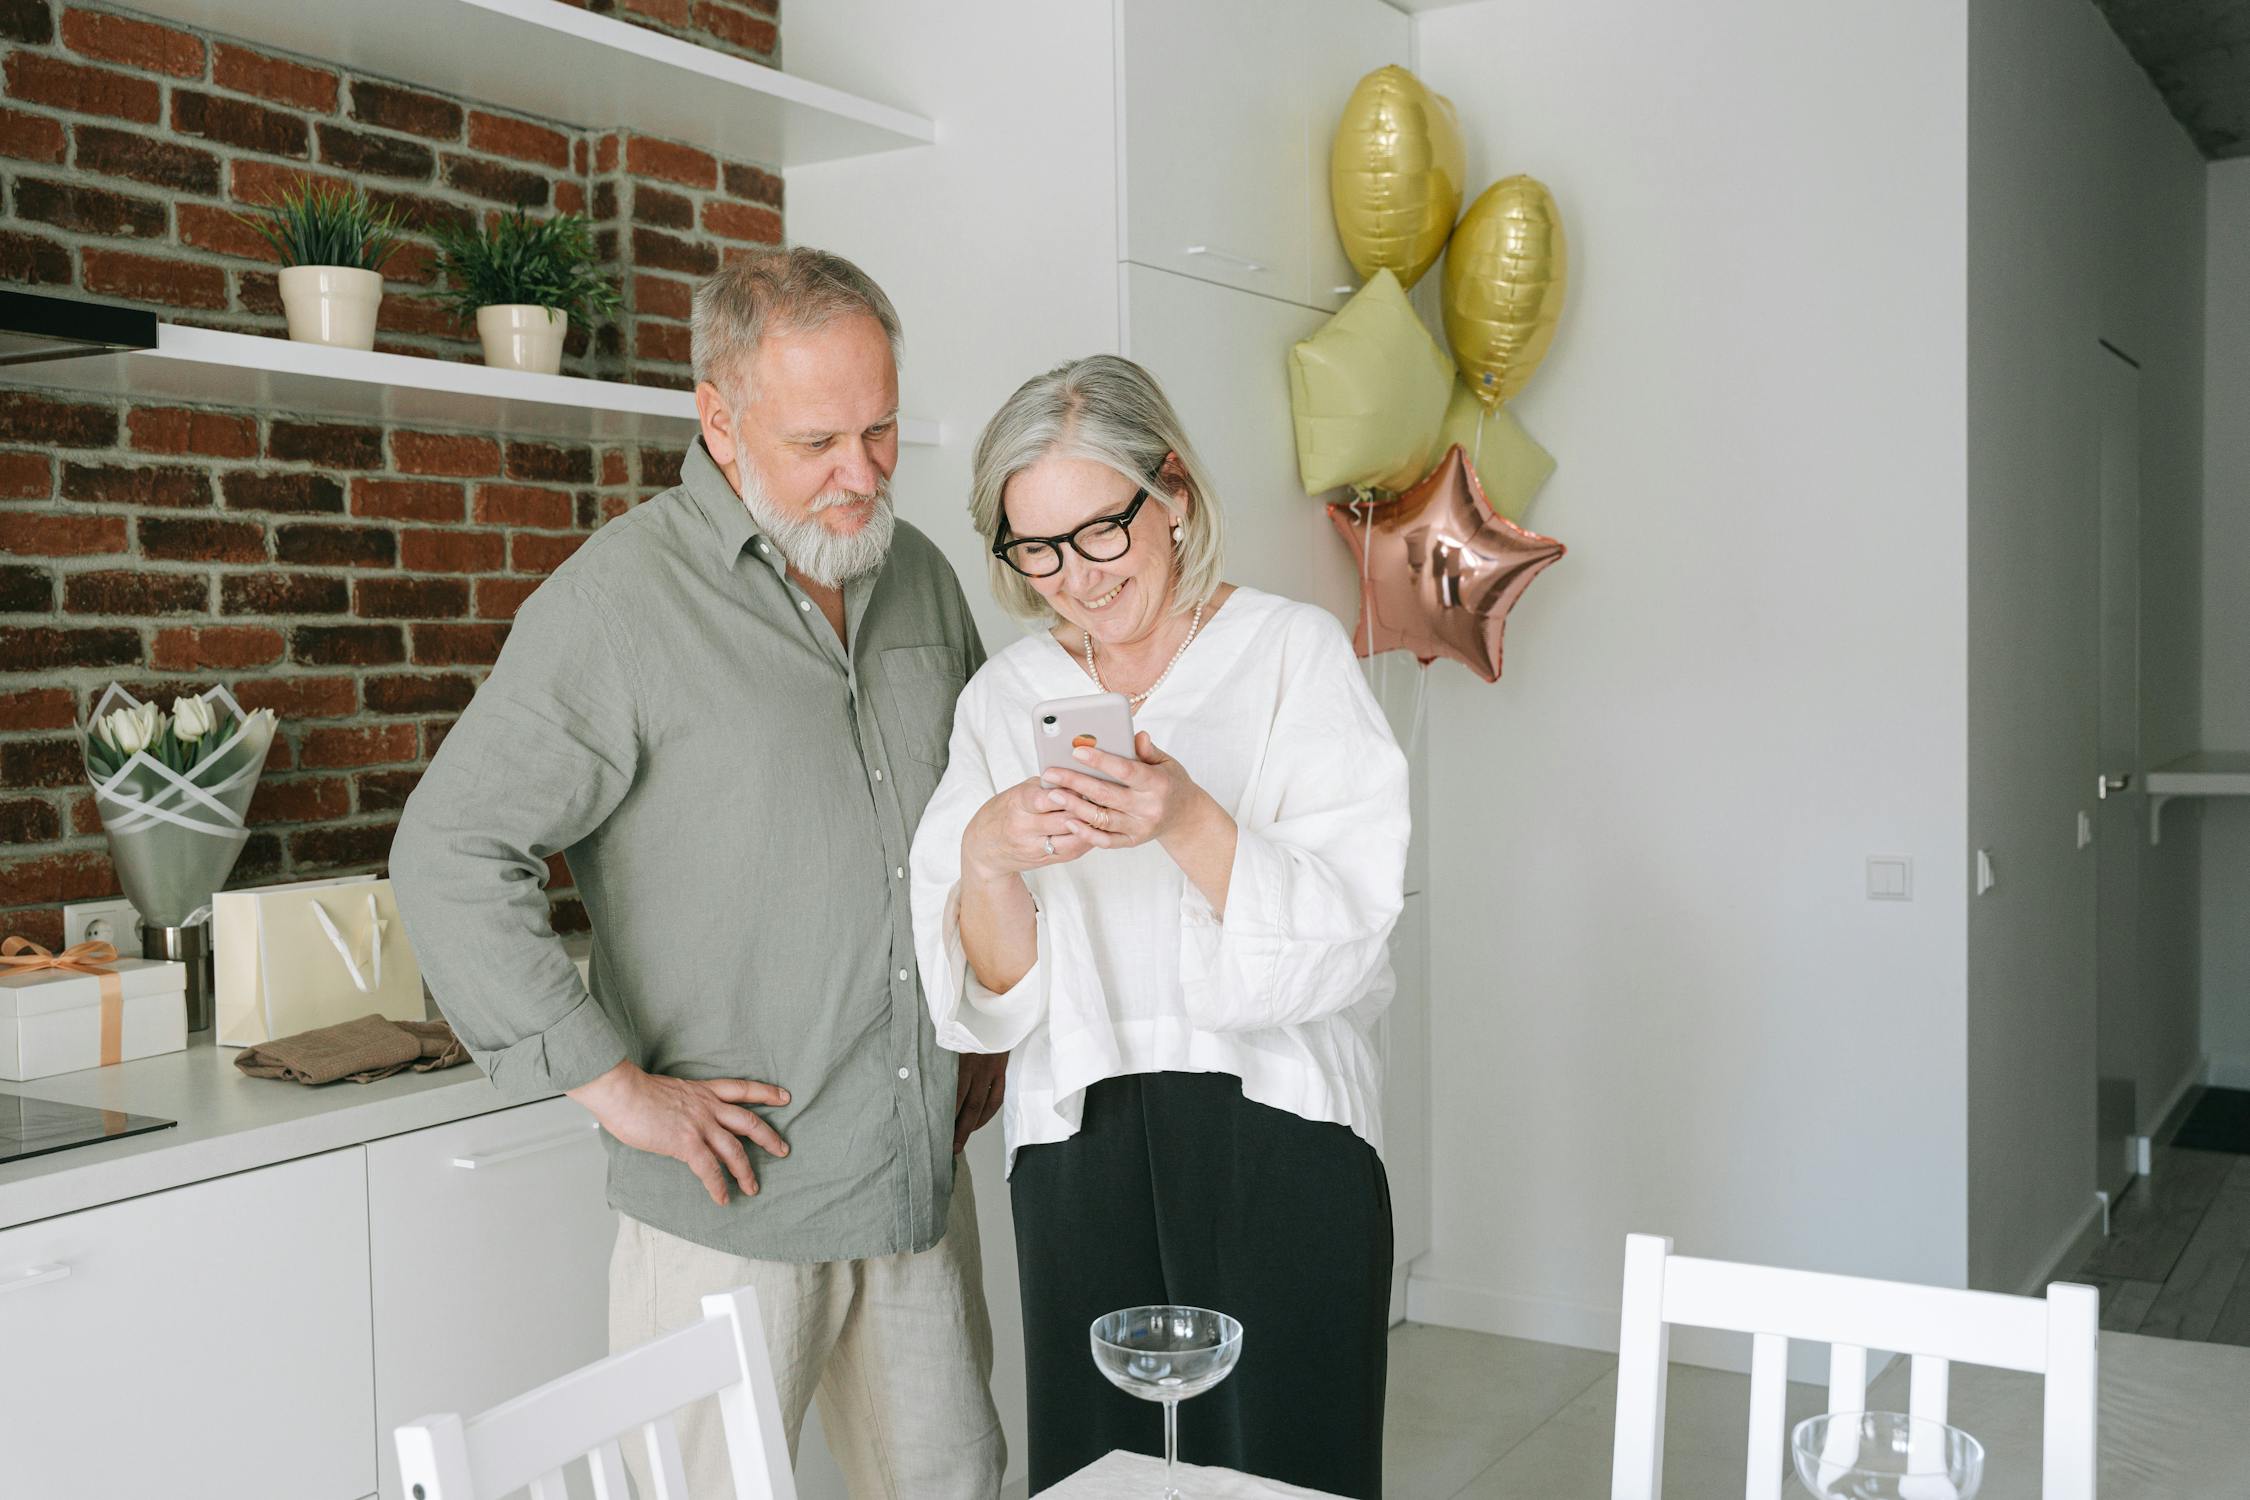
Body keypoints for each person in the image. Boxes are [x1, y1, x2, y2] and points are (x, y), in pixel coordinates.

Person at [391, 248, 1007, 1498]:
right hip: (729, 1211)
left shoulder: (923, 578)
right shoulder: (616, 605)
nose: (861, 474)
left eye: (881, 430)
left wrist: (988, 1010)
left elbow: (984, 816)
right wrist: (614, 1089)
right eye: (817, 441)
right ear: (718, 422)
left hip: (913, 1183)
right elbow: (449, 850)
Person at [909, 355, 1410, 1496]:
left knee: (1288, 1466)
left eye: (1099, 532)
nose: (1075, 580)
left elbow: (1350, 927)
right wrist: (988, 855)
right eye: (1036, 549)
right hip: (1078, 1135)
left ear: (1172, 493)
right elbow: (998, 996)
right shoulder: (1004, 699)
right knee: (1104, 1469)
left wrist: (1186, 819)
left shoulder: (1290, 654)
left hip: (1280, 1125)